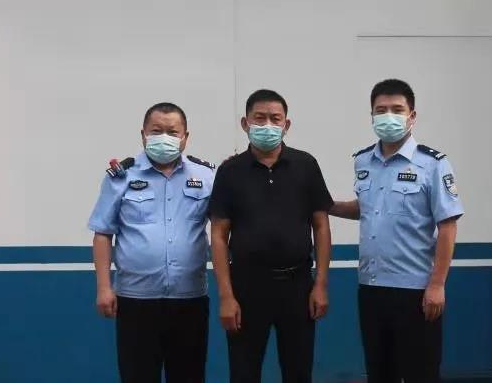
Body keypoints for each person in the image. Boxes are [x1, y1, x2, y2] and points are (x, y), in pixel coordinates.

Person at [330, 79, 464, 383]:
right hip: (371, 288)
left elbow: (447, 225)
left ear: (411, 116)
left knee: (421, 374)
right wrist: (327, 205)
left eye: (397, 109)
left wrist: (437, 285)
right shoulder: (363, 161)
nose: (388, 116)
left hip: (416, 291)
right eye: (381, 110)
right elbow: (366, 208)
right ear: (371, 116)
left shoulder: (433, 164)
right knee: (380, 373)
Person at [209, 89, 332, 383]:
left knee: (298, 371)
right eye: (259, 118)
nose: (267, 125)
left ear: (286, 124)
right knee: (243, 372)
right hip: (246, 288)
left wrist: (320, 285)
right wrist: (226, 296)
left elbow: (321, 226)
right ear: (245, 123)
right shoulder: (229, 171)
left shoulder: (306, 165)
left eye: (275, 119)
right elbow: (218, 235)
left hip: (297, 286)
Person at [87, 102, 216, 383]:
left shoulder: (206, 177)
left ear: (185, 137)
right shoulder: (122, 177)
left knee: (189, 377)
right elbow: (102, 233)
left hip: (190, 300)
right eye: (156, 131)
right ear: (143, 134)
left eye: (172, 132)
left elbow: (223, 228)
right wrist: (104, 288)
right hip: (136, 301)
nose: (164, 137)